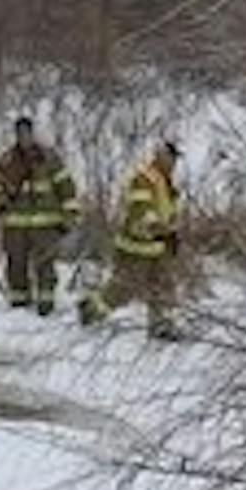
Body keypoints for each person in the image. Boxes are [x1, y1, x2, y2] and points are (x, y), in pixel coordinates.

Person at [78, 140, 182, 340]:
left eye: (175, 159)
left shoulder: (166, 181)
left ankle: (161, 326)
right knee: (122, 290)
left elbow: (168, 213)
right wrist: (159, 229)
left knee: (164, 287)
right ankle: (90, 310)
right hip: (137, 248)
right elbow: (141, 211)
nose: (174, 163)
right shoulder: (143, 179)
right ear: (160, 157)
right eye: (171, 158)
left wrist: (172, 233)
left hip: (158, 247)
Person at [0, 116, 82, 315]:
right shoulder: (7, 160)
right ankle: (19, 304)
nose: (24, 137)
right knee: (16, 264)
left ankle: (45, 305)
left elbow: (66, 187)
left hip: (46, 224)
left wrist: (70, 216)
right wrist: (1, 202)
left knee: (45, 265)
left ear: (32, 133)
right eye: (20, 133)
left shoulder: (49, 159)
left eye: (27, 133)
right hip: (15, 224)